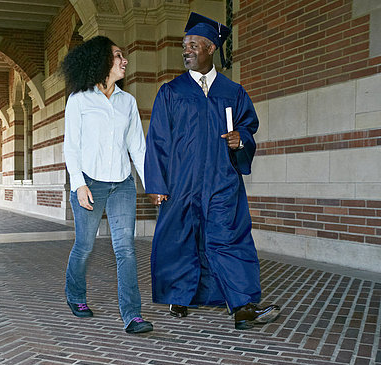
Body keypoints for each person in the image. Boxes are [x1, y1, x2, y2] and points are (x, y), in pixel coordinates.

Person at [144, 13, 281, 330]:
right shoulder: (171, 91)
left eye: (193, 44)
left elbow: (249, 127)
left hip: (221, 181)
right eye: (184, 45)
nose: (186, 50)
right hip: (181, 183)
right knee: (182, 239)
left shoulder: (233, 91)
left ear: (210, 48)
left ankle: (243, 307)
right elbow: (158, 140)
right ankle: (181, 295)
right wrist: (156, 182)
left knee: (229, 239)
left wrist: (241, 139)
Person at [61, 35, 153, 334]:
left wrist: (151, 184)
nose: (124, 61)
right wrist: (78, 184)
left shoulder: (128, 101)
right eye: (117, 56)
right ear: (100, 61)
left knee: (125, 248)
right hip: (89, 184)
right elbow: (71, 147)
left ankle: (132, 315)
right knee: (85, 246)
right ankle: (75, 296)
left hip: (122, 184)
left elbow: (137, 147)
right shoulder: (79, 100)